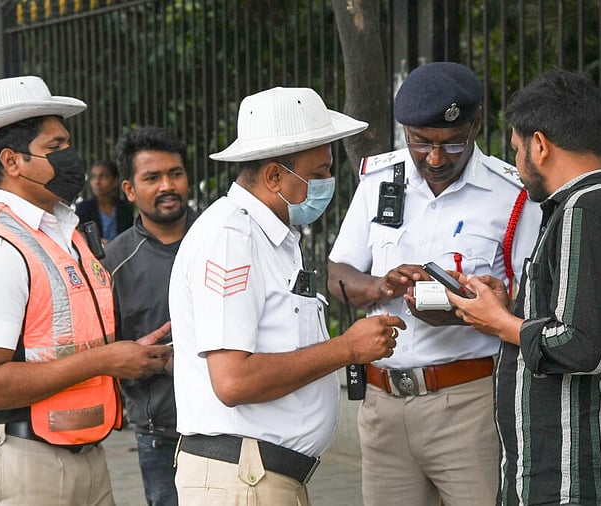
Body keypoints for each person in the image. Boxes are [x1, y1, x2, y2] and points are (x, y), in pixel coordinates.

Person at [168, 86, 405, 506]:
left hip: (260, 477)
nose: (328, 184)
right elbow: (233, 381)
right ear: (274, 176)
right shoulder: (232, 238)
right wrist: (346, 349)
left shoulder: (272, 236)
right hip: (242, 482)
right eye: (317, 174)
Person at [0, 75, 172, 505]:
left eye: (67, 145)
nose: (71, 158)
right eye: (55, 148)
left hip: (85, 451)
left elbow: (62, 339)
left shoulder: (66, 232)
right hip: (23, 462)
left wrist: (125, 355)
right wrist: (105, 359)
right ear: (12, 161)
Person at [327, 61, 542, 506]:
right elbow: (339, 274)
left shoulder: (513, 193)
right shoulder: (378, 181)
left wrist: (466, 312)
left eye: (452, 143)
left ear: (477, 123)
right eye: (420, 143)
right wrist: (380, 286)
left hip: (470, 403)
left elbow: (533, 301)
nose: (436, 158)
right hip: (383, 404)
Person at [447, 69, 601, 505]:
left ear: (539, 146)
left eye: (518, 150)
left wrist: (501, 322)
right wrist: (510, 309)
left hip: (573, 479)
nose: (518, 164)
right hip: (562, 475)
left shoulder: (585, 212)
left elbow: (581, 345)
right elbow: (578, 319)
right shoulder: (598, 208)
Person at [101, 126, 195, 506]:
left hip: (235, 423)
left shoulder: (223, 238)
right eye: (152, 178)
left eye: (175, 173)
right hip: (161, 433)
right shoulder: (113, 263)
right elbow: (102, 351)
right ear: (129, 189)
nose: (166, 186)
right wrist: (144, 360)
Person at [75, 159, 134, 243]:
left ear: (115, 181)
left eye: (103, 176)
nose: (97, 182)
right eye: (94, 177)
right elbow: (80, 237)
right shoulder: (84, 208)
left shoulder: (125, 208)